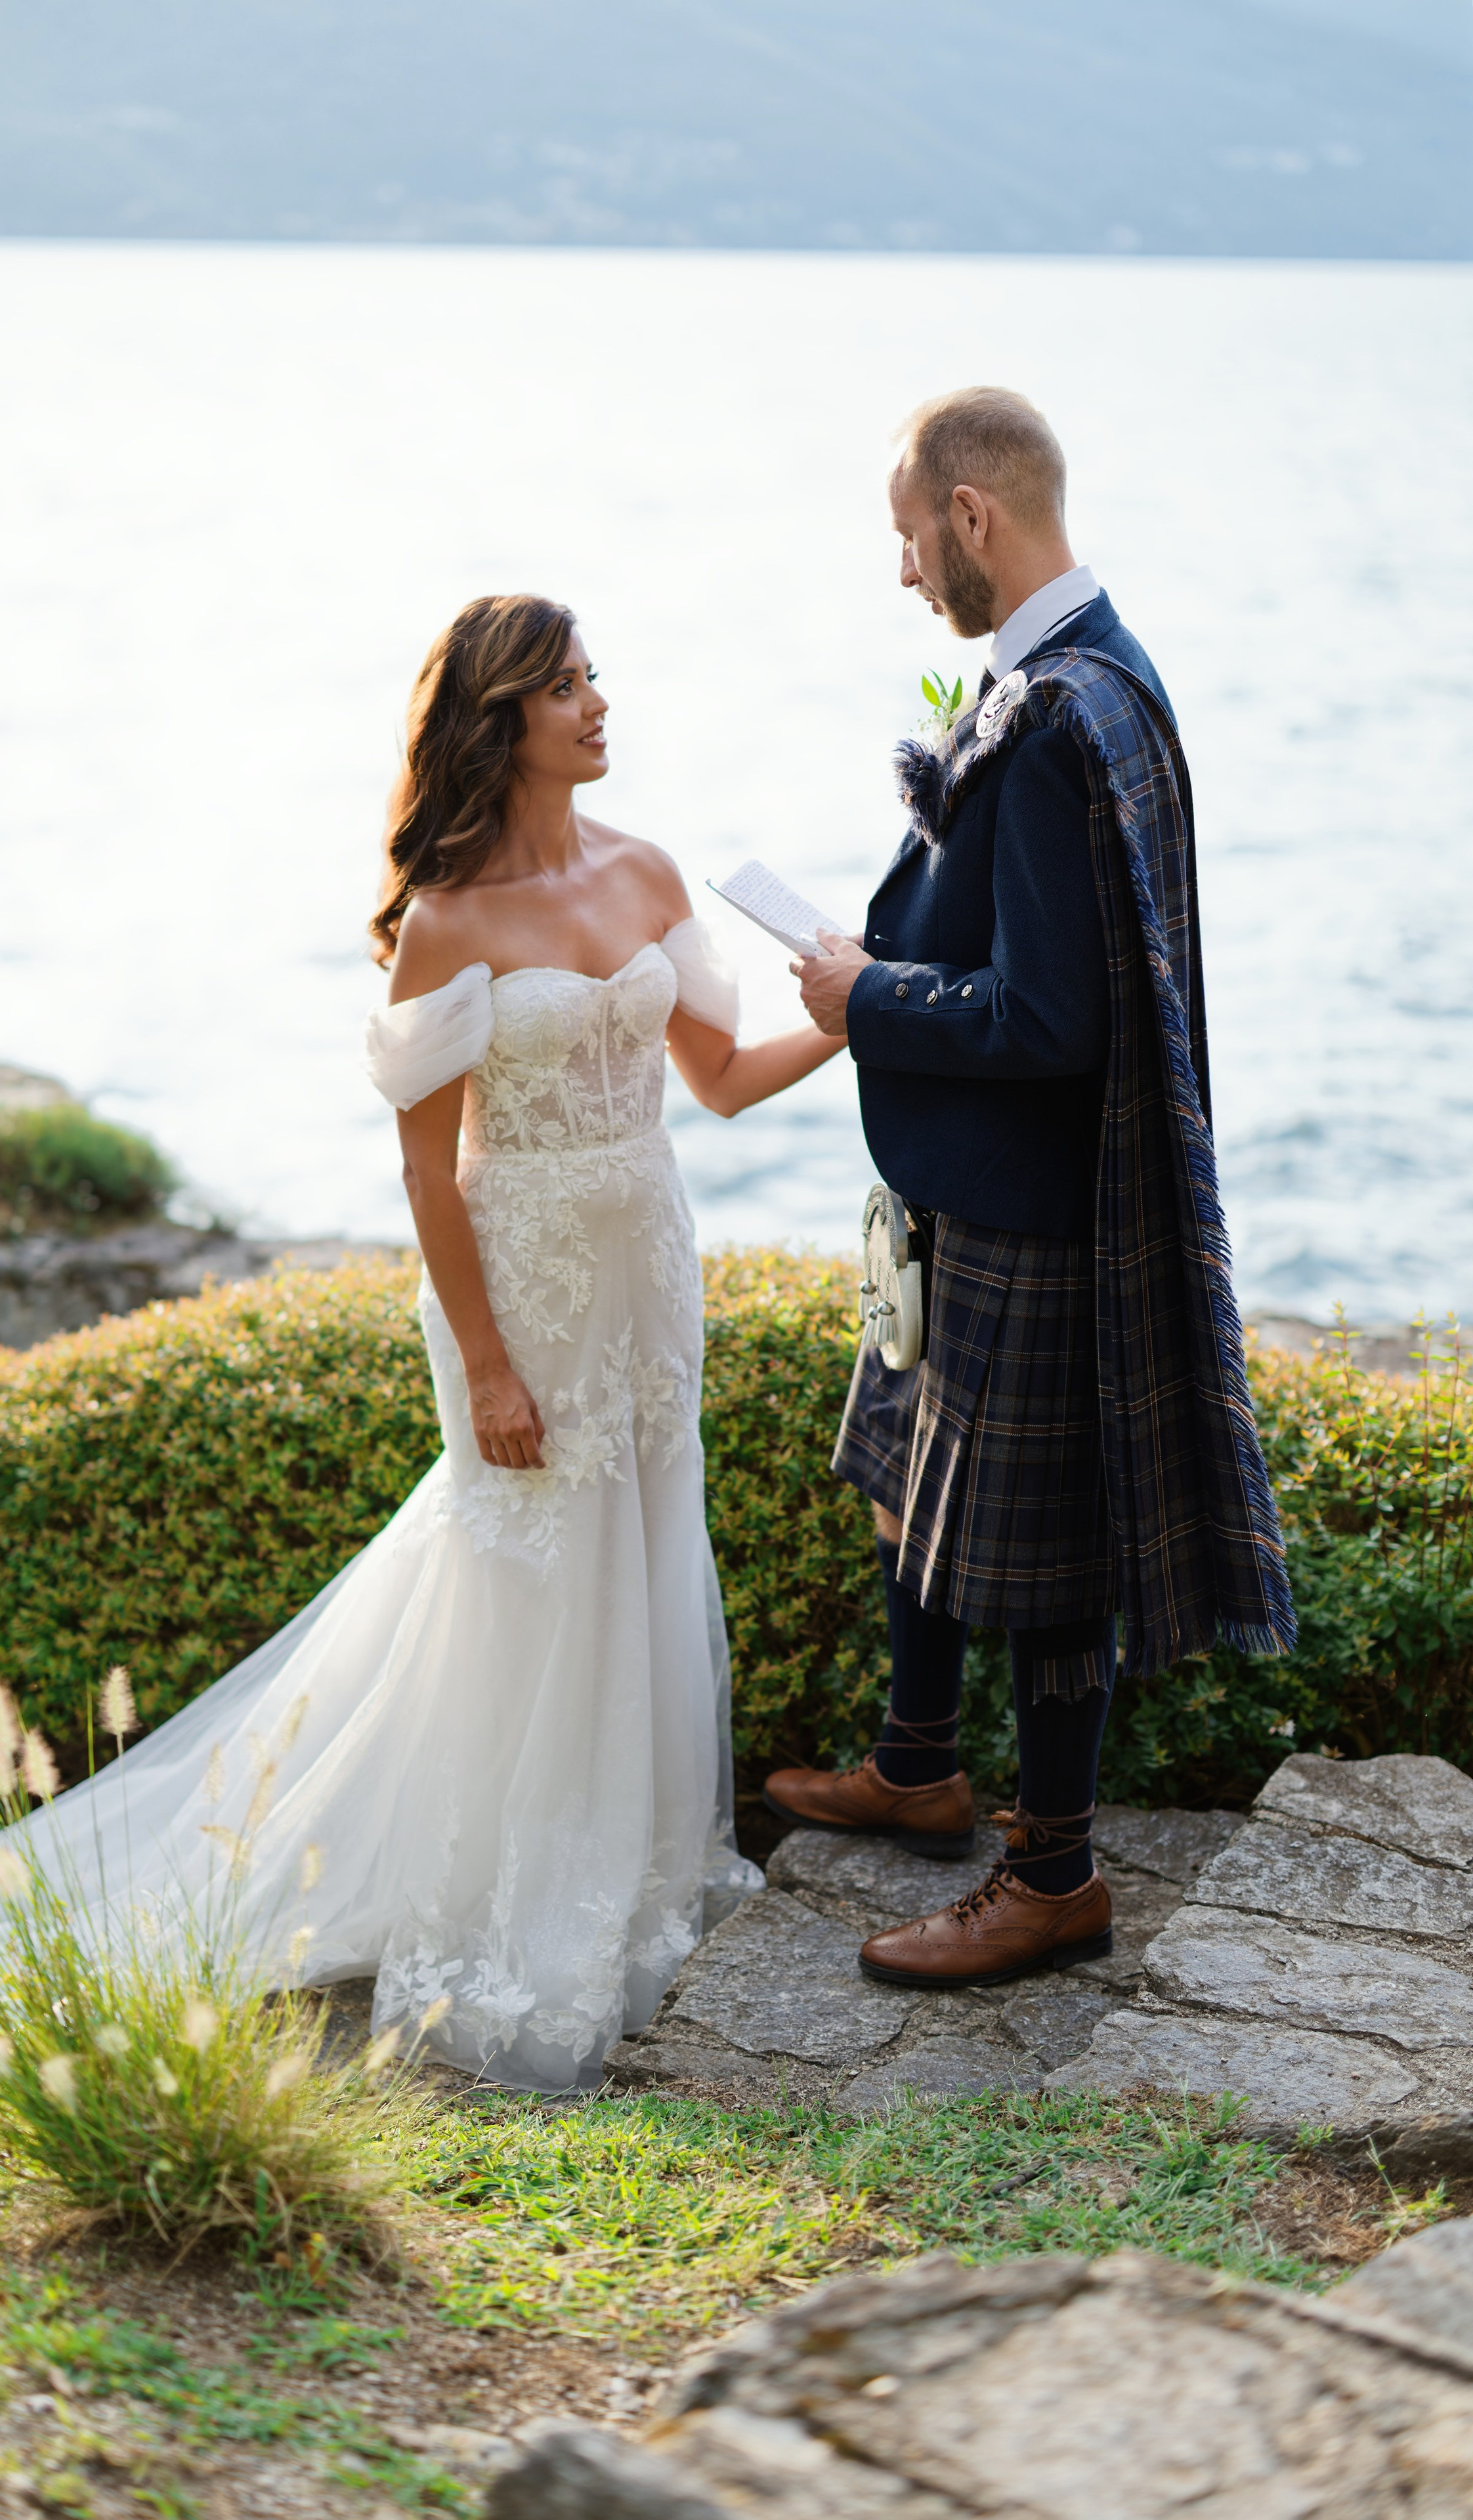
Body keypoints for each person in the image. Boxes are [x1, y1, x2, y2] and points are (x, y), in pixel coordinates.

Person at [0, 592, 843, 2095]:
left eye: (595, 680)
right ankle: (514, 1902)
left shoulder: (646, 870)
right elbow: (424, 1174)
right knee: (529, 1582)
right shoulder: (445, 919)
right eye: (566, 687)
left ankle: (640, 1876)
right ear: (498, 719)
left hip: (647, 1273)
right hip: (516, 1291)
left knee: (644, 1547)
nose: (597, 704)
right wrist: (492, 1365)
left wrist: (842, 1015)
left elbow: (715, 1080)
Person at [764, 387, 1294, 1989]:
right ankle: (915, 1759)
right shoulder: (1078, 678)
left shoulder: (1067, 712)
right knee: (900, 1469)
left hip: (1032, 1207)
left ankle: (1052, 1878)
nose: (906, 575)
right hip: (961, 1188)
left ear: (970, 514)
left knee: (1046, 1566)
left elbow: (1050, 1021)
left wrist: (861, 994)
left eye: (909, 540)